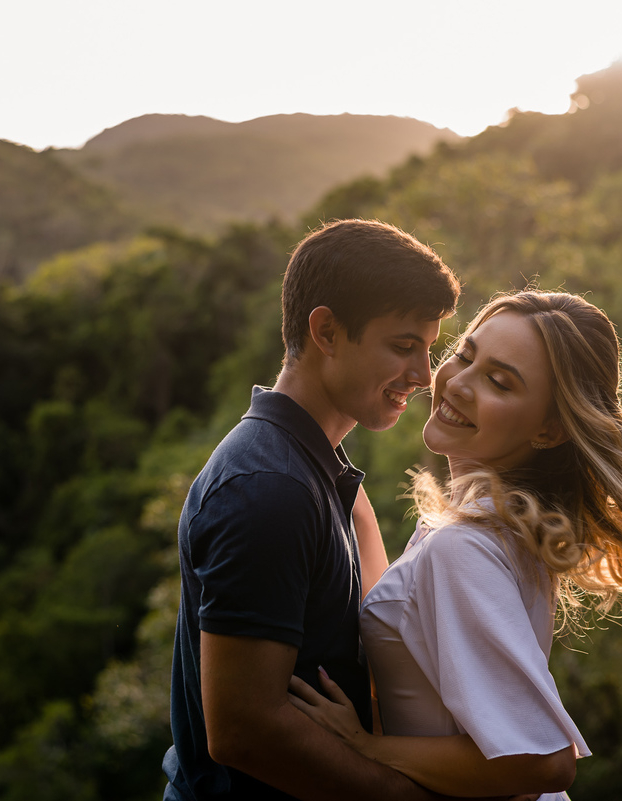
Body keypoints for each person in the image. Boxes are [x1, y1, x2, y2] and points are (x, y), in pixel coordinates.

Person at [289, 290, 622, 800]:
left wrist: (366, 748)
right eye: (465, 356)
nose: (458, 383)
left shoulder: (464, 547)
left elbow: (541, 762)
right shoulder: (490, 530)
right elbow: (412, 627)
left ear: (549, 429)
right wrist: (342, 492)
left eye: (499, 381)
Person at [162, 219, 471, 801]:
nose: (423, 376)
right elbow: (244, 731)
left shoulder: (317, 468)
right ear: (326, 331)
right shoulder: (268, 490)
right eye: (404, 347)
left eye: (428, 351)